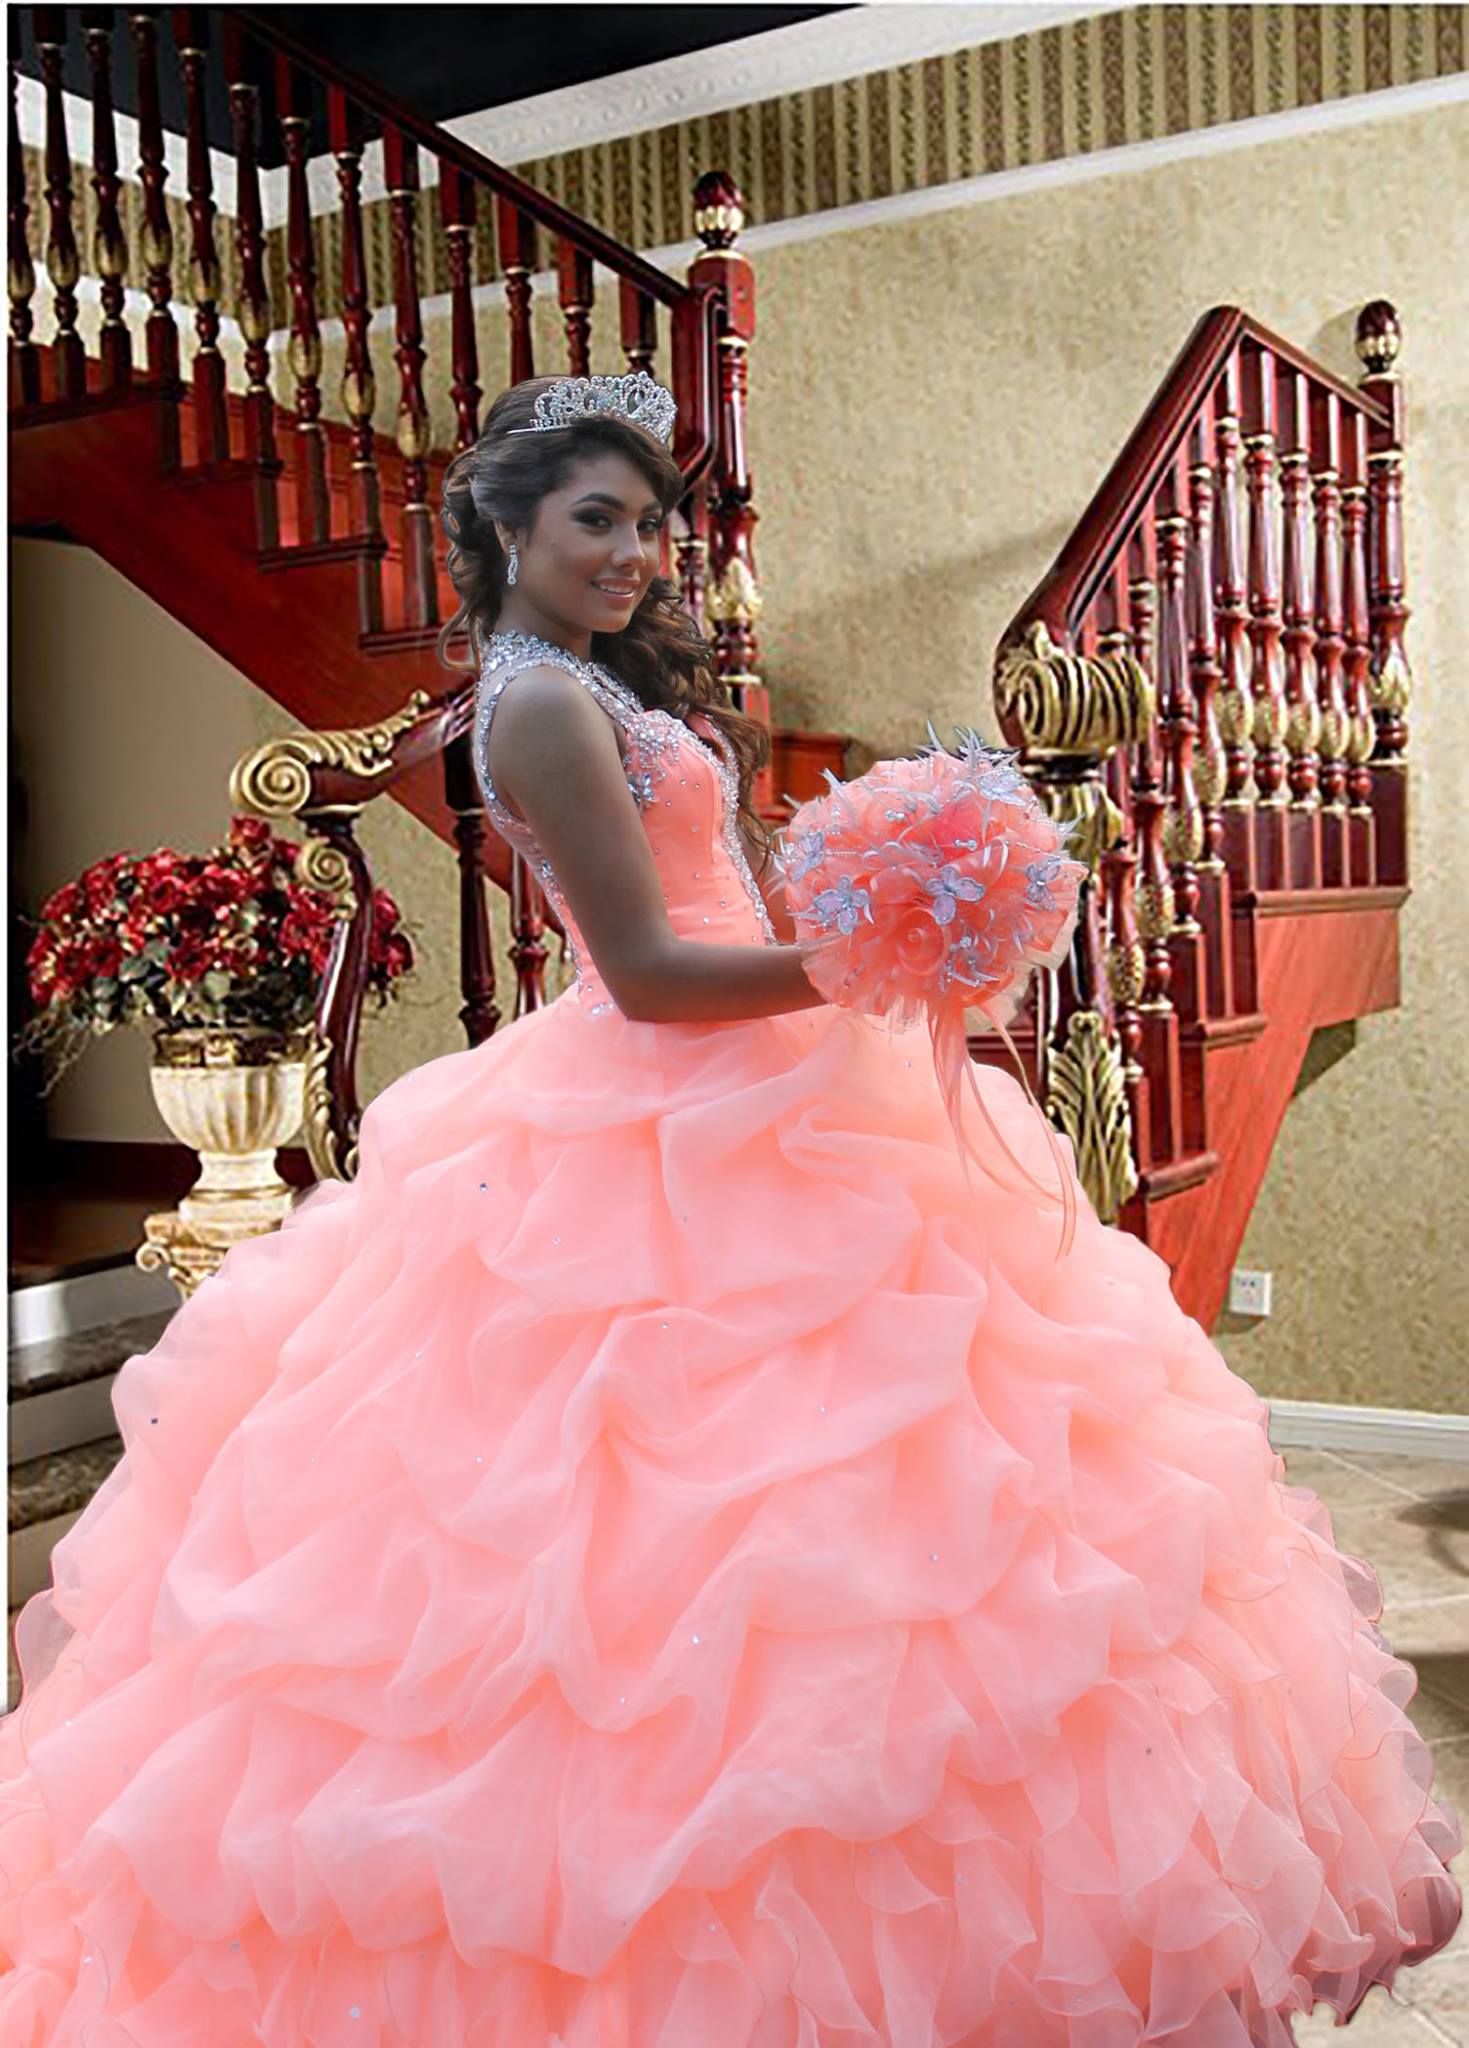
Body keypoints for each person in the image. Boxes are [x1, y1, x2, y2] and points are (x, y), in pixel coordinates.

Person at [0, 370, 1460, 2048]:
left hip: (784, 1086)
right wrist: (866, 958)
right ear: (507, 527)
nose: (636, 553)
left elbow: (731, 886)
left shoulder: (607, 687)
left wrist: (892, 893)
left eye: (649, 523)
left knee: (917, 1506)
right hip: (658, 1108)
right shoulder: (534, 710)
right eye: (596, 521)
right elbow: (643, 973)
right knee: (673, 1541)